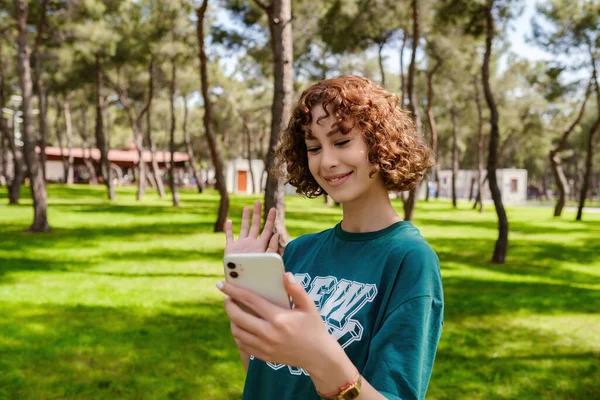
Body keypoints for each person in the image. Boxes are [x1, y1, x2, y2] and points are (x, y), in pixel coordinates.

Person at [216, 75, 443, 400]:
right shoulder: (299, 250)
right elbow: (262, 371)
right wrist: (249, 293)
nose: (327, 161)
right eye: (313, 147)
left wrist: (323, 361)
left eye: (341, 142)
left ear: (380, 141)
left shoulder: (409, 259)